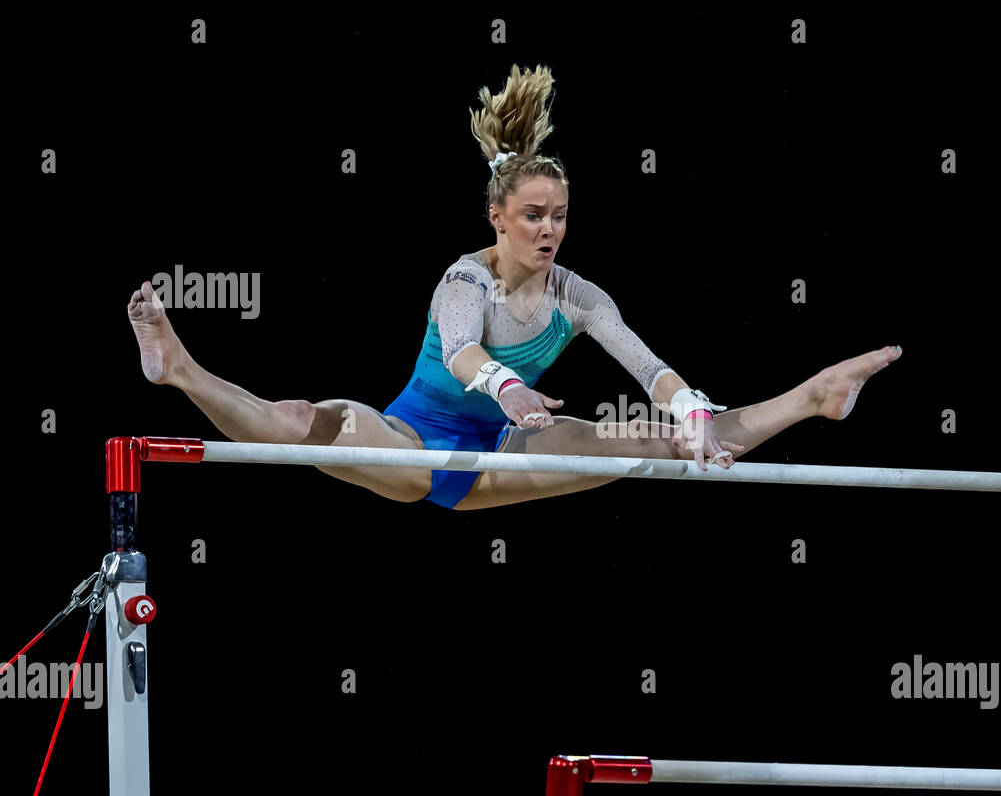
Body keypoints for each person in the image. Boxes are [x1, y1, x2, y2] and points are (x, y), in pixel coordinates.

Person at [127, 63, 901, 511]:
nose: (549, 230)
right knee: (300, 419)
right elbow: (461, 351)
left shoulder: (581, 297)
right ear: (496, 216)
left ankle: (812, 398)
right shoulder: (466, 279)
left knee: (658, 439)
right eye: (533, 215)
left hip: (493, 457)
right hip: (413, 441)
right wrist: (505, 385)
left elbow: (649, 368)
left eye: (559, 216)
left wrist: (691, 408)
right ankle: (182, 370)